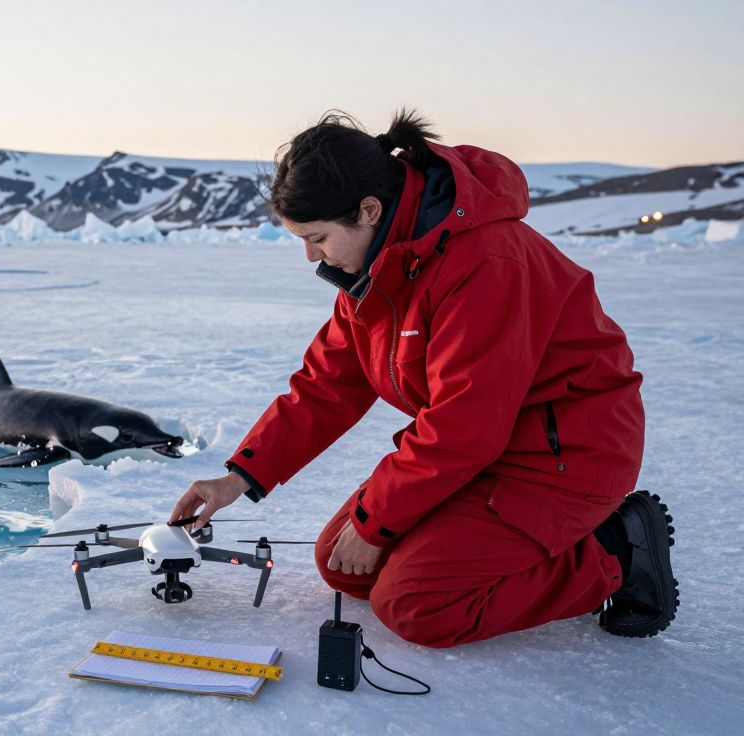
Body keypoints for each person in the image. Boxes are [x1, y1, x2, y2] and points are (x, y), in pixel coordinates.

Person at [169, 109, 677, 648]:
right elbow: (325, 386)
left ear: (368, 209)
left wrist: (374, 522)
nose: (310, 256)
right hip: (484, 451)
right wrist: (237, 479)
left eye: (316, 237)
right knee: (343, 566)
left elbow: (466, 422)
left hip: (561, 456)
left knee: (417, 605)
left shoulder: (486, 261)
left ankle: (614, 550)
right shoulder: (380, 269)